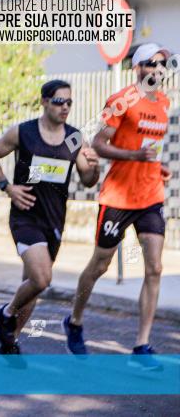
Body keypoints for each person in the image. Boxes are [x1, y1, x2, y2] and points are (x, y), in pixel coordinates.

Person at [65, 44, 172, 370]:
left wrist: (155, 167)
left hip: (151, 195)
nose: (158, 68)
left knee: (154, 267)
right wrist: (134, 159)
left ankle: (141, 346)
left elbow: (149, 147)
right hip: (119, 197)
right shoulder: (121, 100)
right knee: (100, 265)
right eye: (152, 63)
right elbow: (99, 143)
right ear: (138, 68)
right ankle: (75, 321)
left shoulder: (165, 102)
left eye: (163, 64)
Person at [0, 80, 99, 354]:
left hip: (54, 220)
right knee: (42, 278)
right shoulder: (23, 132)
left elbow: (88, 179)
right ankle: (6, 312)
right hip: (25, 216)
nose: (65, 107)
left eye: (69, 102)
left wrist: (95, 167)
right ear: (45, 102)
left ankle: (11, 340)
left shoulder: (74, 138)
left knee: (32, 285)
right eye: (60, 102)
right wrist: (7, 187)